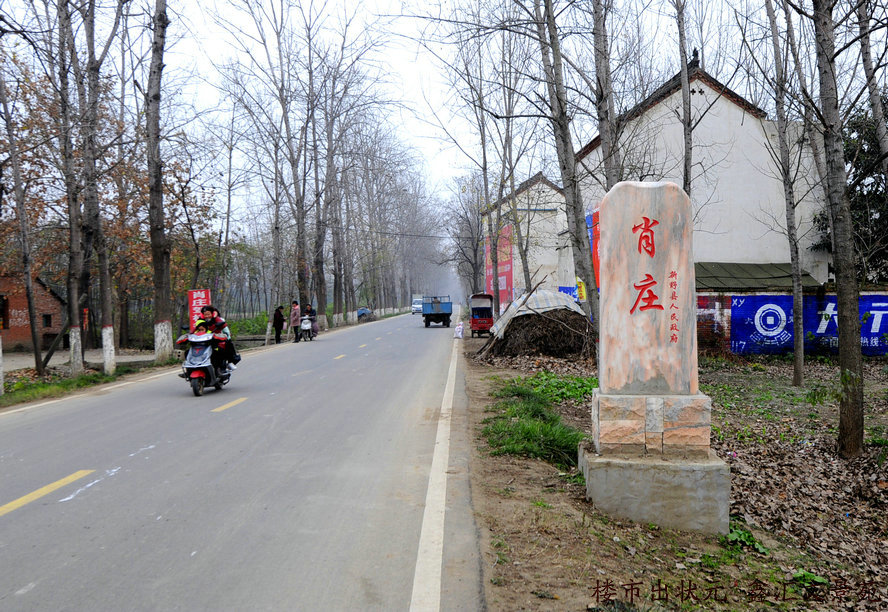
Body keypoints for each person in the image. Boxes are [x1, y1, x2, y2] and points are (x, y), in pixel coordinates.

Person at [201, 305, 240, 369]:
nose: (207, 316)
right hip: (204, 341)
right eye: (205, 314)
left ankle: (229, 362)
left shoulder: (219, 320)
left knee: (226, 346)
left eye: (208, 314)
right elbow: (196, 329)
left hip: (217, 340)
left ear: (212, 313)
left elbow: (226, 331)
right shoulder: (201, 321)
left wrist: (227, 338)